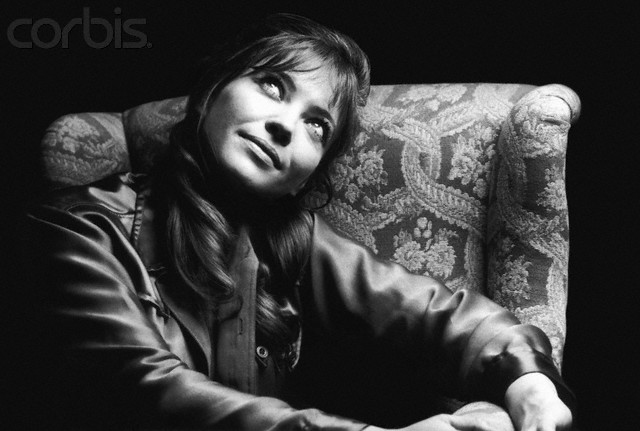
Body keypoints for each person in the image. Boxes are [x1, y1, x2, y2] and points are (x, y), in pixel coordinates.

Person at [20, 13, 575, 431]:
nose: (285, 126)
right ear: (212, 90)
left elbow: (437, 314)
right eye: (272, 85)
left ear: (305, 177)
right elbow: (147, 391)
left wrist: (528, 379)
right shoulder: (76, 227)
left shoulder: (291, 239)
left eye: (316, 125)